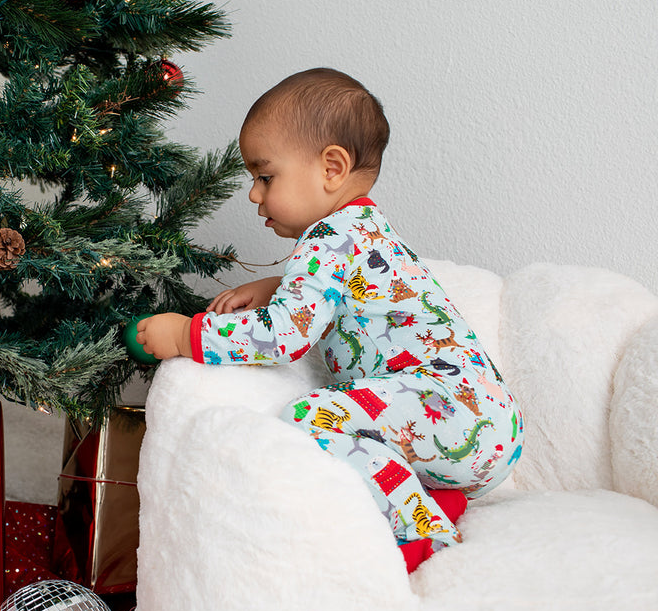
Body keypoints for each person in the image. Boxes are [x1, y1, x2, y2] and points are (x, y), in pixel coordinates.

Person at [136, 68, 524, 571]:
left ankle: (419, 530)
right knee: (361, 423)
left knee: (311, 416)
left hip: (450, 407)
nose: (254, 194)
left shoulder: (326, 239)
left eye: (265, 176)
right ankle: (435, 500)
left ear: (332, 168)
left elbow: (285, 335)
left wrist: (188, 335)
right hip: (488, 419)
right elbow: (343, 295)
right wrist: (277, 285)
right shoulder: (364, 229)